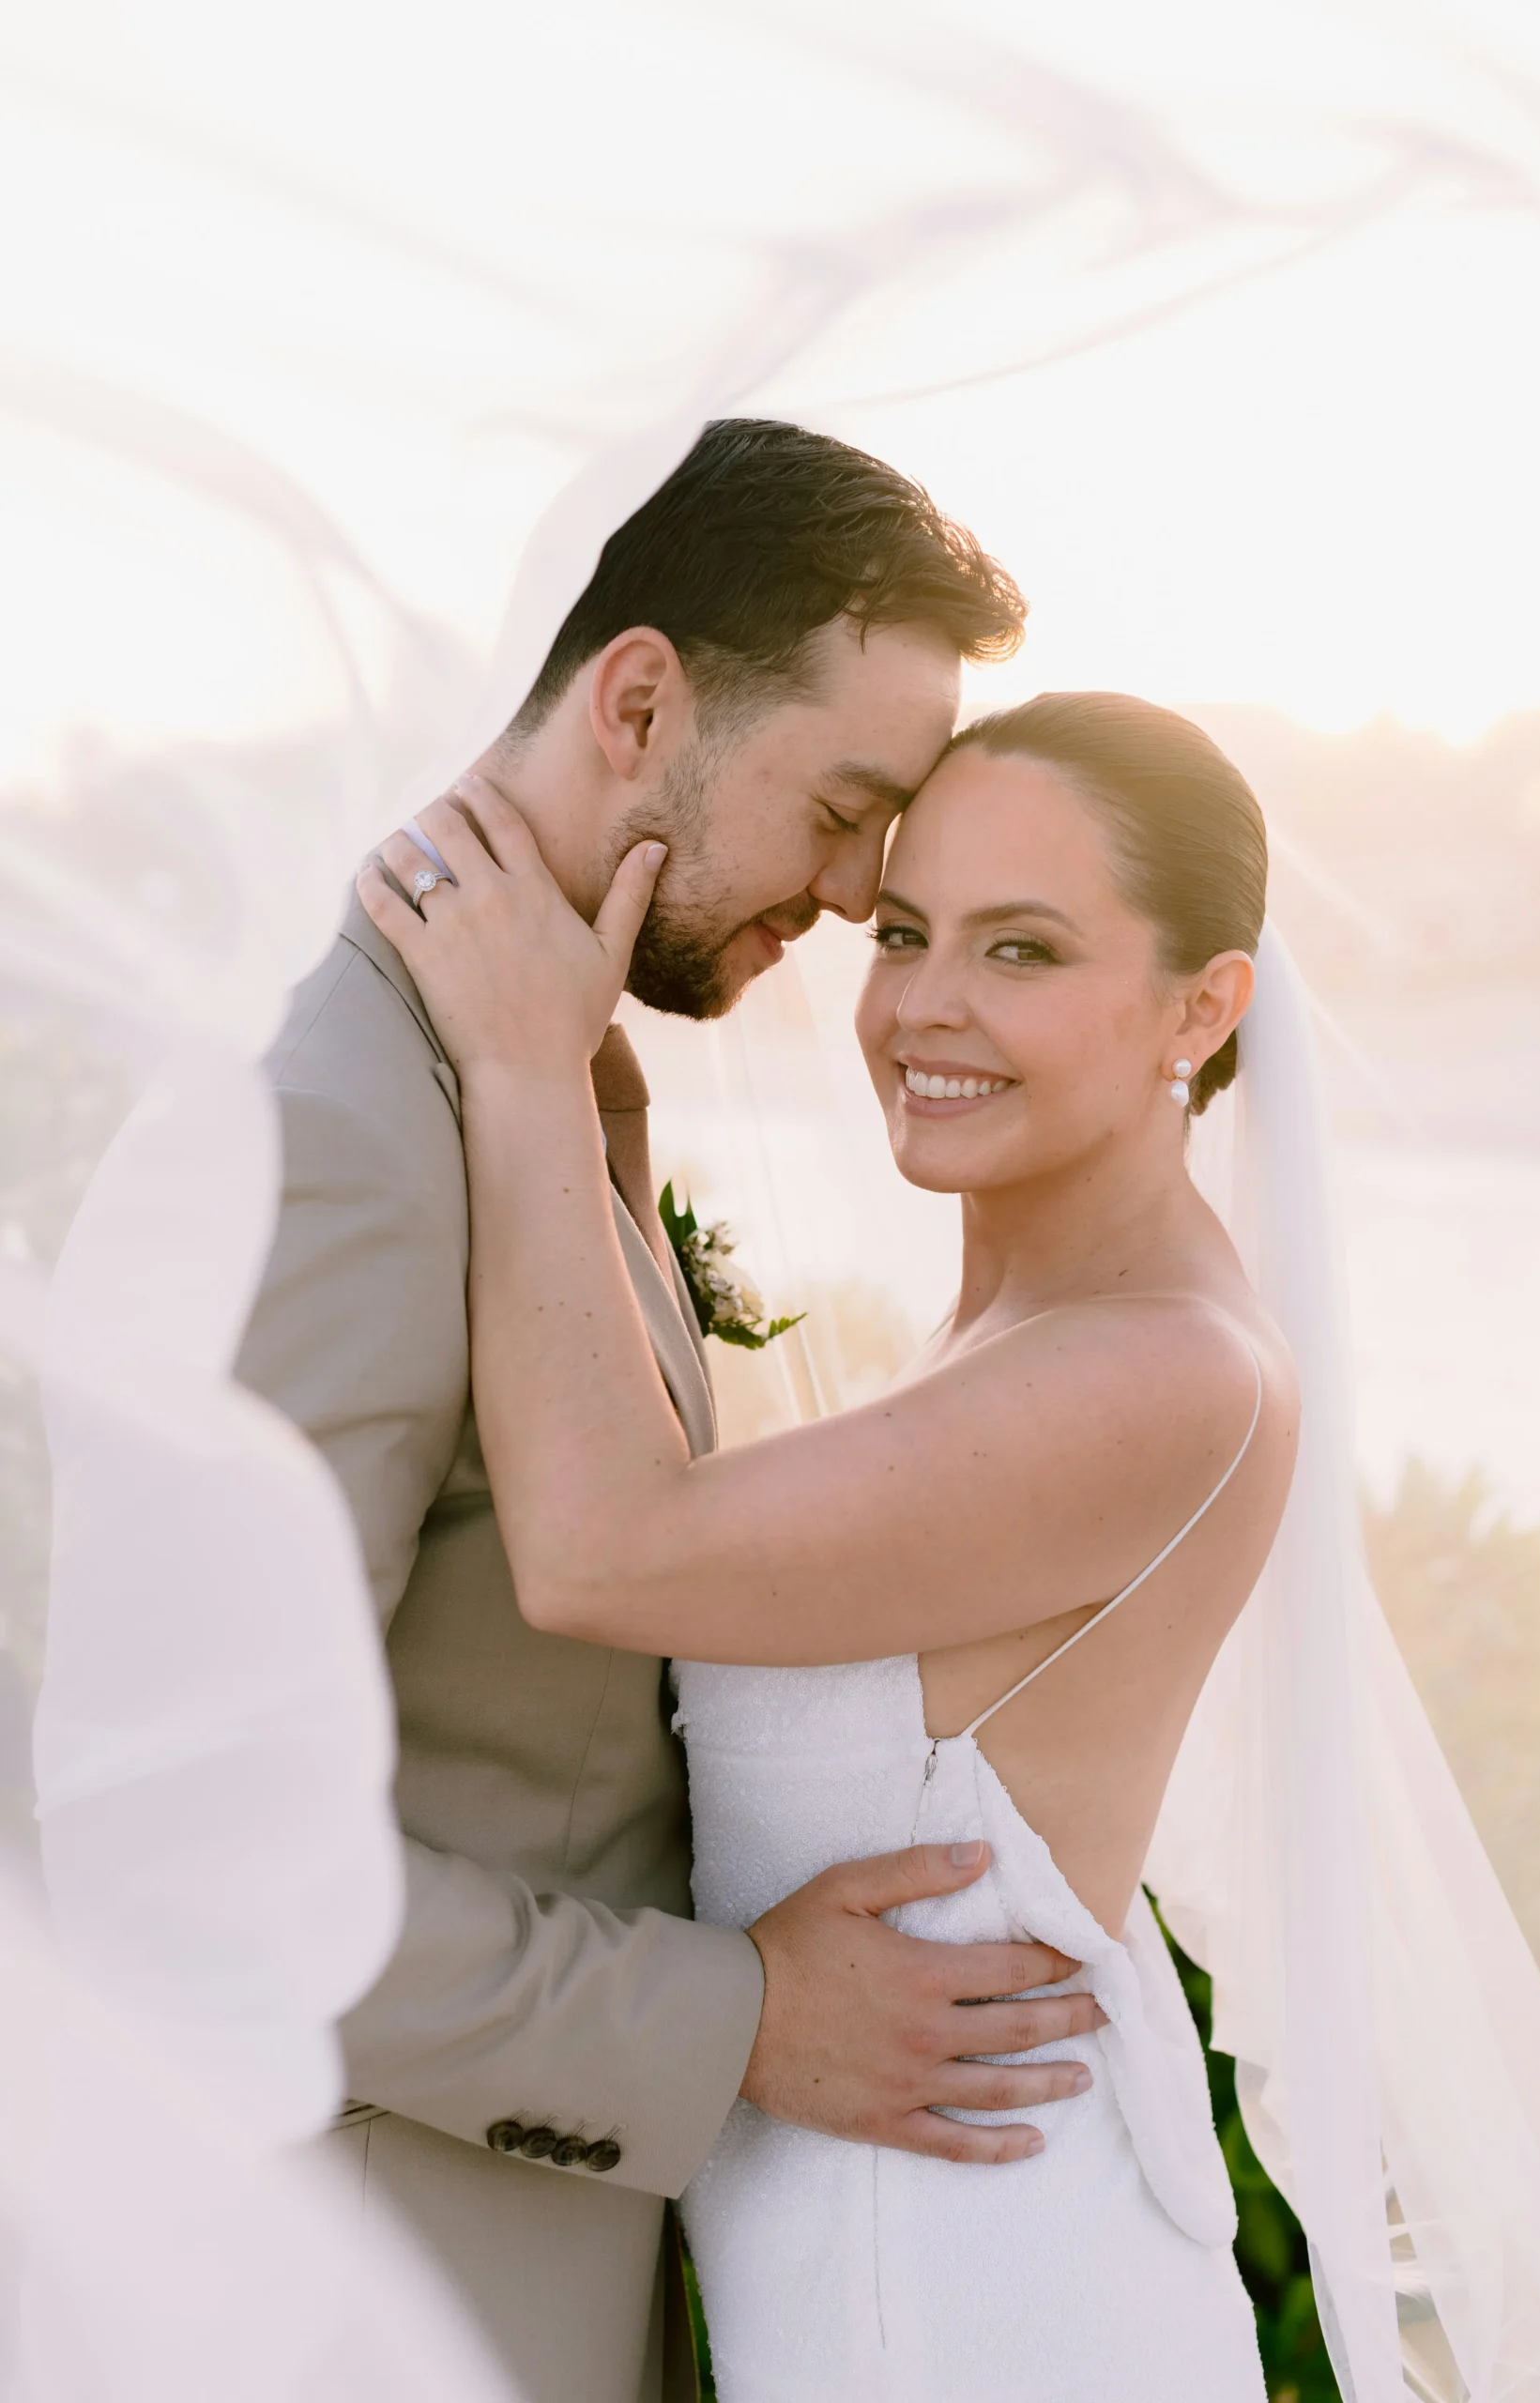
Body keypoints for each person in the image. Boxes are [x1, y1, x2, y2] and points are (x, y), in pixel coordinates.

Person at [235, 420, 1120, 2403]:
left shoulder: (526, 1065)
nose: (856, 887)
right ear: (640, 697)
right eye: (845, 802)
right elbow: (189, 1839)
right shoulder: (346, 1118)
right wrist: (732, 2022)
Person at [358, 691, 1304, 2399]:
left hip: (975, 2311)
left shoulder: (1161, 1371)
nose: (925, 1006)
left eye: (1021, 950)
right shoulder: (1016, 1338)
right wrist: (603, 1101)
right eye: (900, 932)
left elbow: (598, 1550)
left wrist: (517, 1066)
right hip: (881, 2282)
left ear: (1201, 1006)